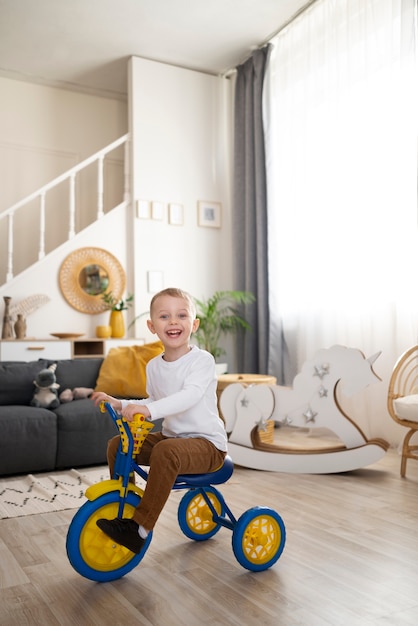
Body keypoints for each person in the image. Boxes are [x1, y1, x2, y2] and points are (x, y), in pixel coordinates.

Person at [91, 287, 228, 553]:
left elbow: (189, 396)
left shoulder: (201, 361)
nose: (174, 321)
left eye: (181, 315)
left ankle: (139, 529)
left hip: (207, 445)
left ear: (194, 324)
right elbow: (153, 400)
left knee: (166, 451)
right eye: (165, 317)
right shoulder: (153, 366)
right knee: (116, 445)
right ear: (152, 326)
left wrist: (150, 412)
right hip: (174, 439)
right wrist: (121, 404)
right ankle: (125, 504)